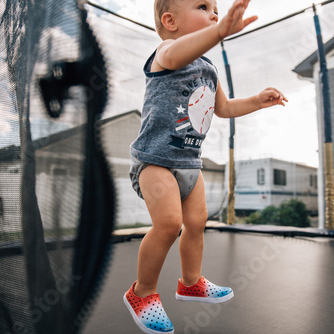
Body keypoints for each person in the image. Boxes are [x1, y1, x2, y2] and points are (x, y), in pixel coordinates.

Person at [123, 0, 288, 333]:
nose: (214, 12)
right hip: (155, 161)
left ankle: (191, 282)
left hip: (189, 163)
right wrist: (220, 30)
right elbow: (179, 53)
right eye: (202, 6)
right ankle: (142, 292)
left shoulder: (209, 68)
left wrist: (257, 101)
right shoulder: (166, 52)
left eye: (215, 8)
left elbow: (223, 108)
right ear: (170, 21)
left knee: (197, 223)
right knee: (169, 224)